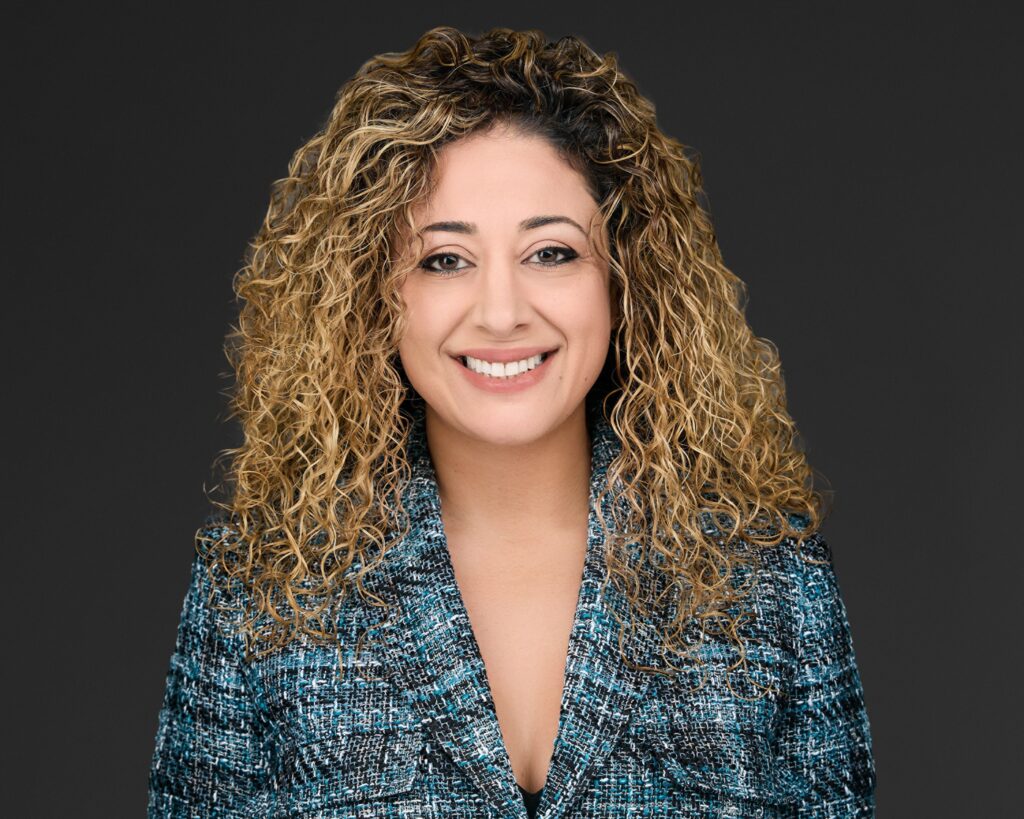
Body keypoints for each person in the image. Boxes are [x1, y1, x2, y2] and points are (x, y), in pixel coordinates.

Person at [147, 25, 876, 819]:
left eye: (551, 253)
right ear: (368, 296)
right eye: (443, 260)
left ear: (625, 280)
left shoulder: (772, 587)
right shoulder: (258, 590)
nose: (500, 313)